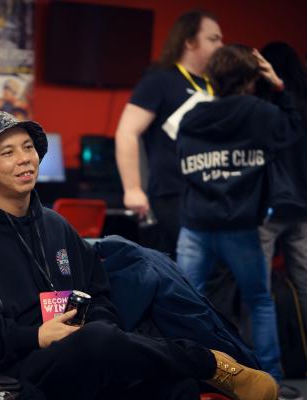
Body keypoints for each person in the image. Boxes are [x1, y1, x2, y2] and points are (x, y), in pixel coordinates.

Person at [0, 111, 278, 400]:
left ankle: (194, 370)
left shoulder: (55, 224)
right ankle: (211, 363)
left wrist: (99, 324)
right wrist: (37, 336)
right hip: (18, 366)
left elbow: (98, 292)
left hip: (88, 350)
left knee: (176, 387)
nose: (24, 159)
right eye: (8, 152)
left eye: (28, 147)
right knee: (97, 341)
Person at [175, 45, 304, 398]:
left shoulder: (192, 116)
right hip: (240, 226)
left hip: (195, 224)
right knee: (259, 301)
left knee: (185, 301)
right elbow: (295, 130)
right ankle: (270, 381)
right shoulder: (261, 112)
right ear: (251, 80)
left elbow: (180, 160)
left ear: (212, 78)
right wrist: (278, 85)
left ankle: (192, 375)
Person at [115, 9, 223, 258]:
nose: (221, 45)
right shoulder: (160, 80)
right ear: (190, 42)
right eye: (213, 39)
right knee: (185, 263)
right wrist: (132, 188)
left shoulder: (217, 84)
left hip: (213, 192)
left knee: (215, 266)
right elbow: (127, 132)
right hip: (173, 192)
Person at [258, 42, 307, 379]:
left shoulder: (268, 103)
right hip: (305, 204)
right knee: (306, 280)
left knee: (259, 285)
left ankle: (268, 362)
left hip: (270, 205)